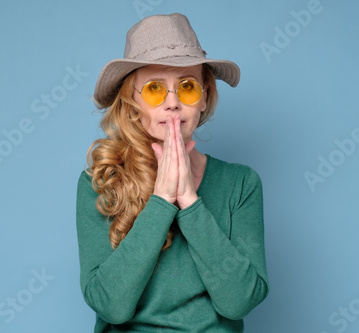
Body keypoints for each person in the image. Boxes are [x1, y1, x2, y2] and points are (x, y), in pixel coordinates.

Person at [76, 13, 269, 332]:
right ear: (133, 104)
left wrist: (190, 203)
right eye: (154, 89)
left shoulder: (241, 184)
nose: (173, 103)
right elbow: (112, 307)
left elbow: (238, 302)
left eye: (188, 87)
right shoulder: (100, 183)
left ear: (204, 98)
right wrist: (162, 200)